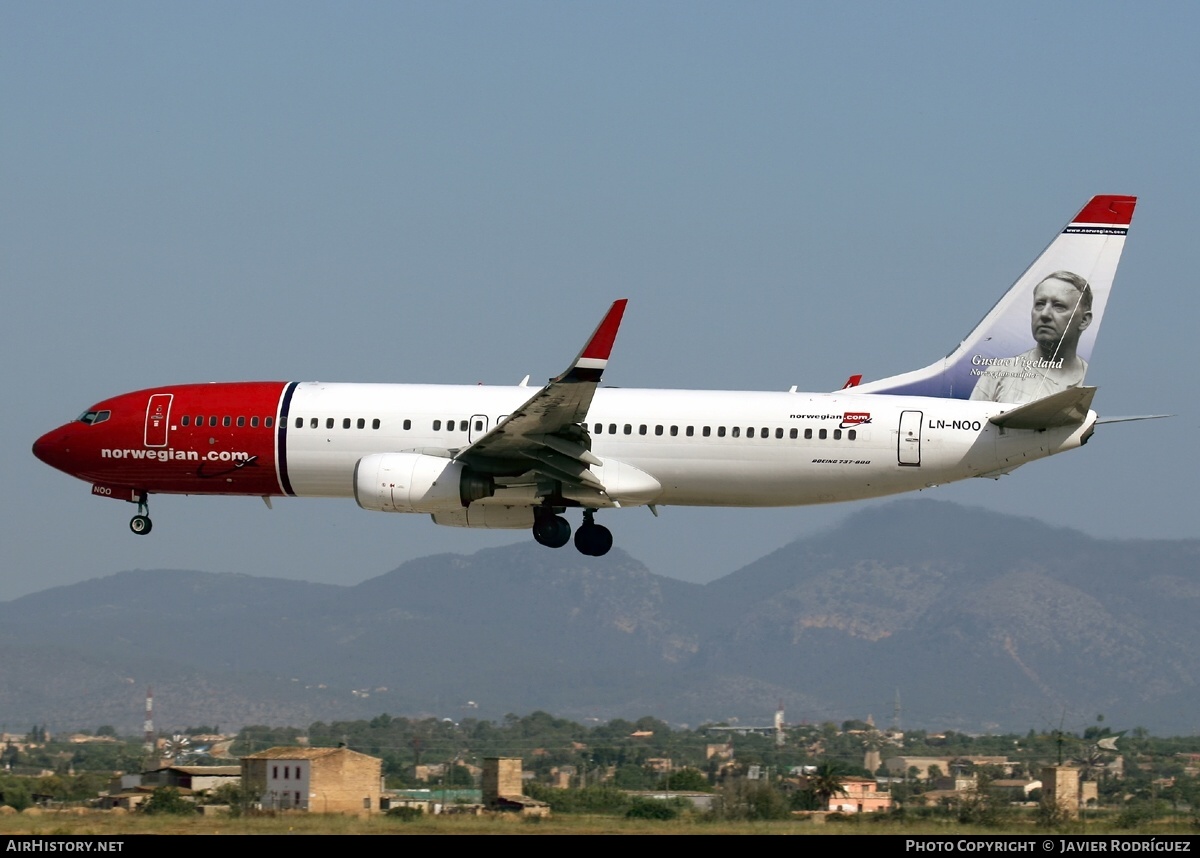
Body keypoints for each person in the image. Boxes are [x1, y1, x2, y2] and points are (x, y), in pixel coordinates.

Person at [970, 270, 1092, 403]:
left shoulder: (1090, 379)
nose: (1044, 314)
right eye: (1039, 304)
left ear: (1084, 320)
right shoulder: (1000, 373)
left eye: (1059, 306)